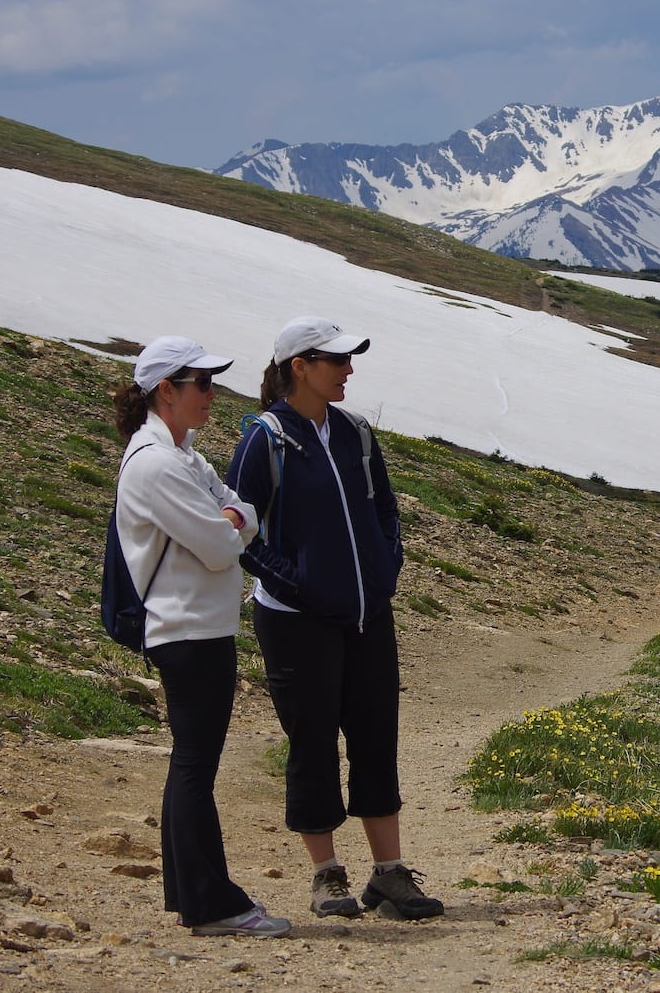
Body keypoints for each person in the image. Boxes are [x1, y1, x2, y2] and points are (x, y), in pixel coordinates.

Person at [226, 316, 443, 921]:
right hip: (295, 620)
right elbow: (239, 529)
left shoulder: (355, 433)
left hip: (367, 614)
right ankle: (326, 876)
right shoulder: (264, 440)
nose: (349, 370)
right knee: (313, 741)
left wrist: (385, 571)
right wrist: (294, 581)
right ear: (301, 367)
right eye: (337, 361)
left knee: (376, 734)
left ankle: (389, 875)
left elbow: (387, 512)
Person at [111, 335, 291, 939]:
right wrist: (232, 523)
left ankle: (195, 895)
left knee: (194, 762)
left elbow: (242, 511)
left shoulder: (183, 454)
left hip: (201, 626)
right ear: (167, 391)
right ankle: (211, 902)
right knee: (195, 762)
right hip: (185, 628)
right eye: (203, 384)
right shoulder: (159, 463)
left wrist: (233, 519)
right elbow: (220, 546)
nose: (213, 394)